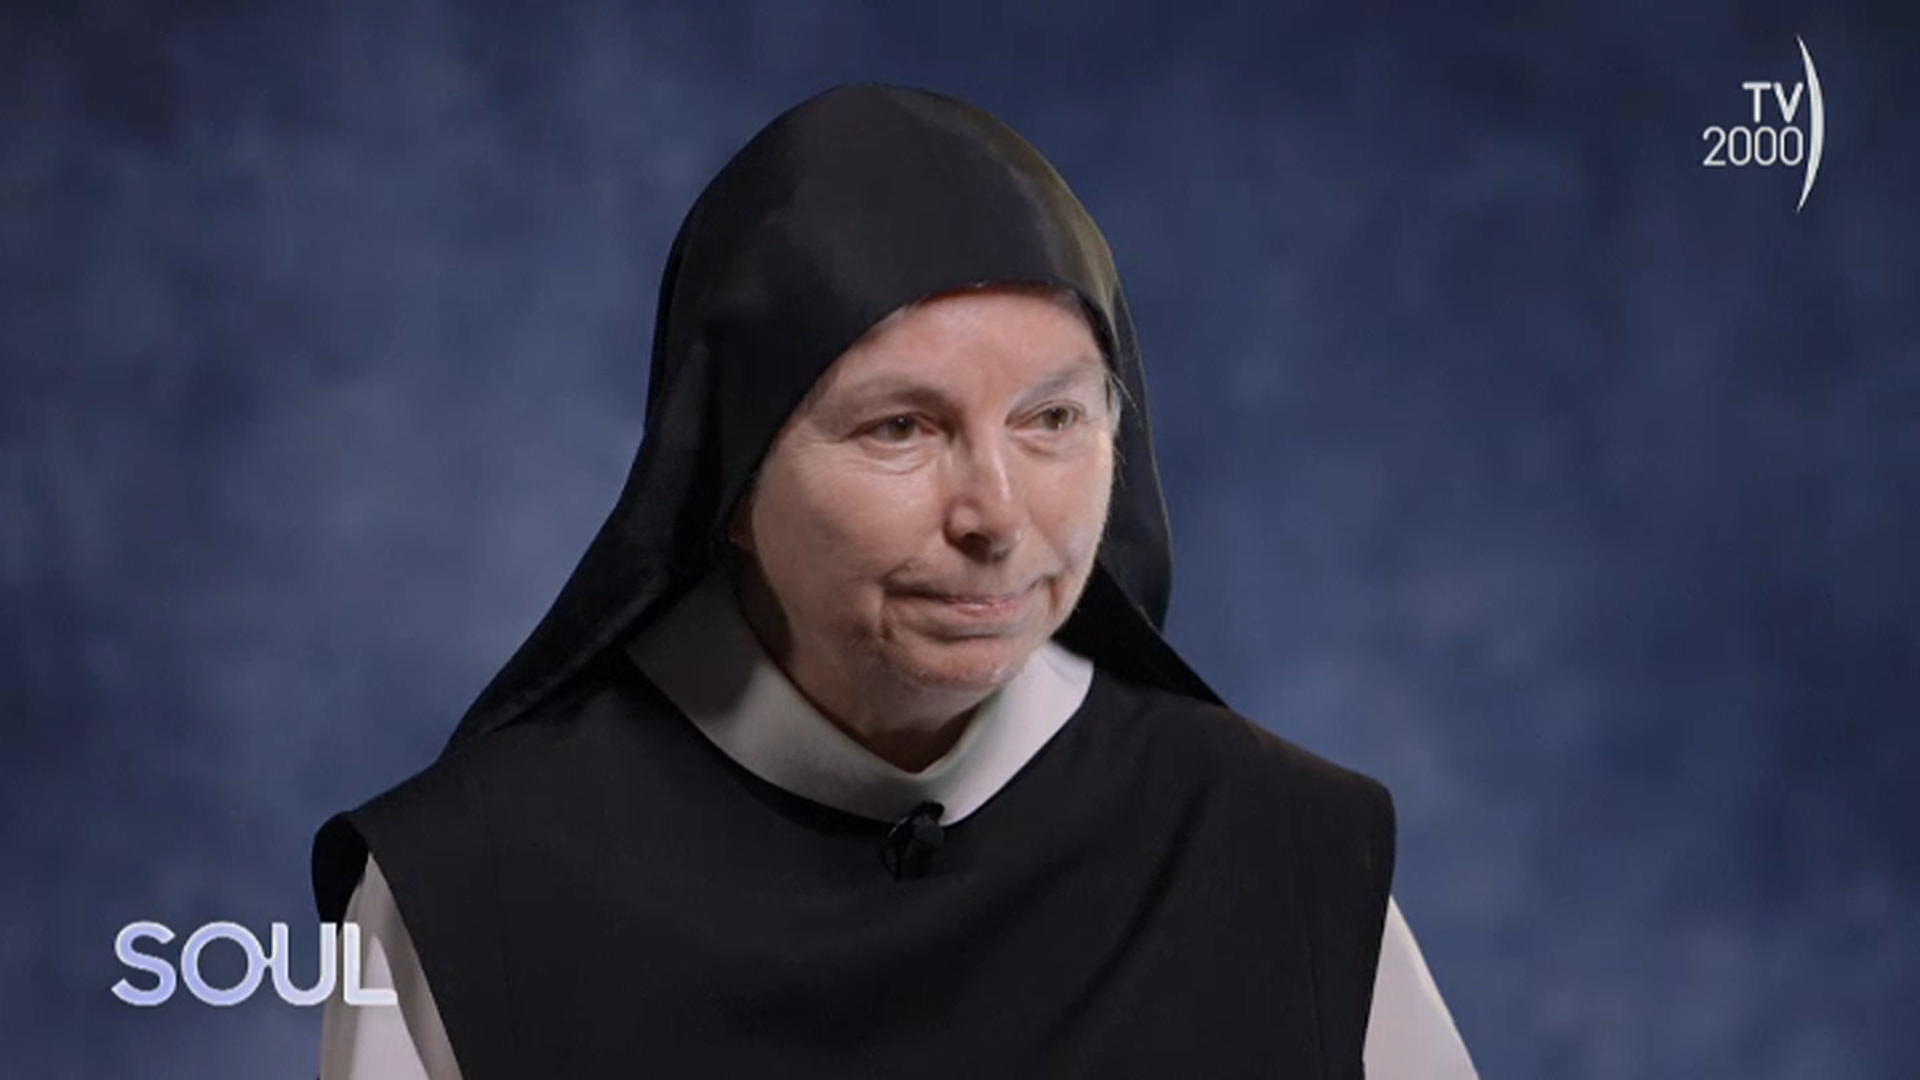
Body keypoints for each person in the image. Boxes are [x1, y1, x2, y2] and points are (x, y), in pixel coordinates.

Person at [312, 83, 1477, 1079]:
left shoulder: (1287, 853)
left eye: (1053, 419)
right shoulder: (472, 887)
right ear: (730, 471)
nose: (997, 517)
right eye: (900, 428)